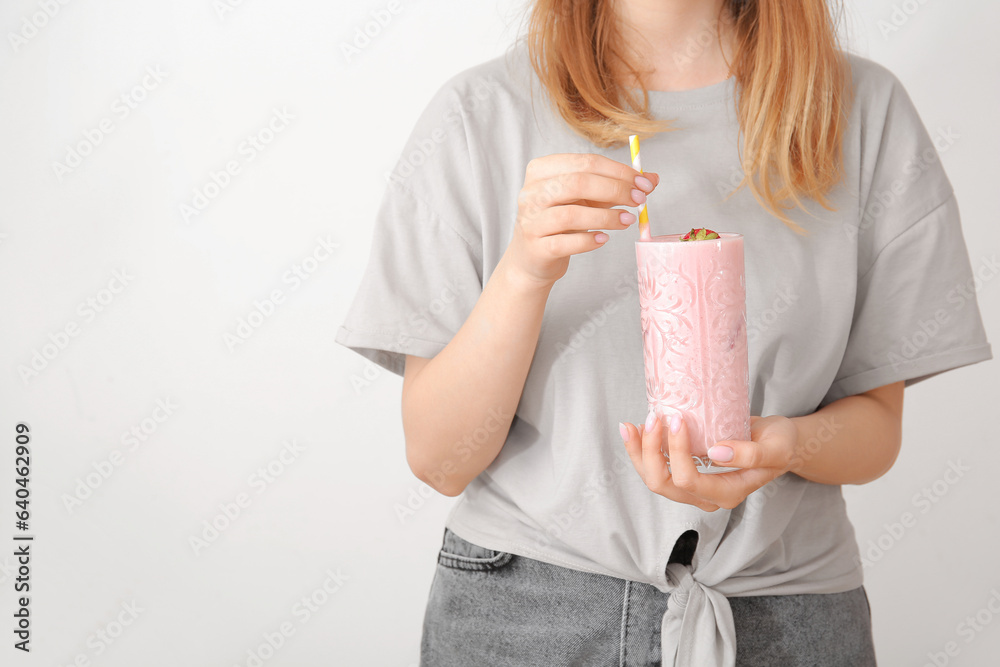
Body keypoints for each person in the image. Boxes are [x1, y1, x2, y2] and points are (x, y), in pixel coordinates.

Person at [335, 0, 993, 664]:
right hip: (524, 616)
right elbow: (440, 458)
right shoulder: (478, 116)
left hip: (793, 618)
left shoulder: (860, 111)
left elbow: (878, 429)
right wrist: (524, 271)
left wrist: (784, 445)